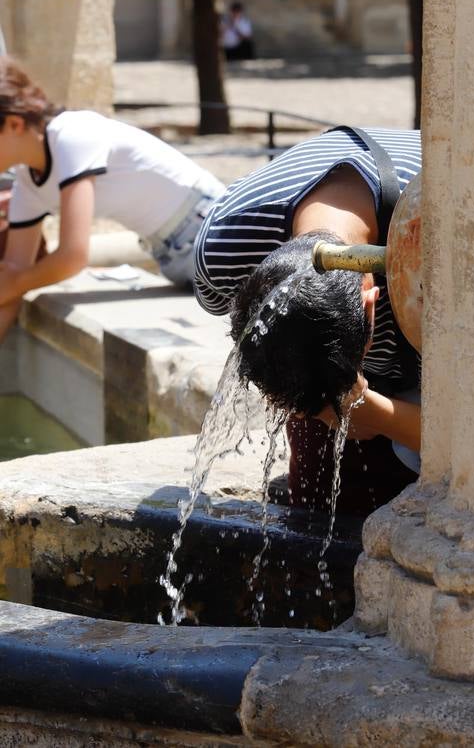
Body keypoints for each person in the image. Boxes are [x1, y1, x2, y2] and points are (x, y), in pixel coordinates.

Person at [193, 126, 422, 515]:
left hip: (446, 362)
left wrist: (374, 412)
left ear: (371, 304)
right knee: (318, 509)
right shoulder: (227, 250)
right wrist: (325, 405)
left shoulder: (445, 236)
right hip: (350, 354)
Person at [0, 56, 225, 345]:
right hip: (174, 258)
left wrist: (14, 284)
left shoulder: (71, 134)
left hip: (214, 229)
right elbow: (11, 278)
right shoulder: (27, 184)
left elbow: (72, 256)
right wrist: (12, 284)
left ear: (14, 124)